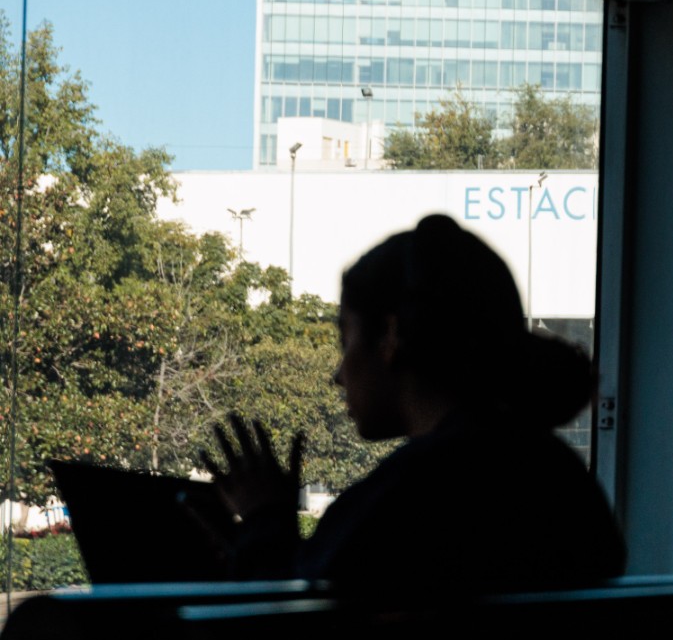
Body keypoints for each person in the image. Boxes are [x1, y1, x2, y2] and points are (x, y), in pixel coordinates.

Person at [201, 214, 624, 594]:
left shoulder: (411, 496)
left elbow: (290, 636)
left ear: (389, 337)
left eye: (344, 339)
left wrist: (263, 523)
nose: (337, 374)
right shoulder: (562, 482)